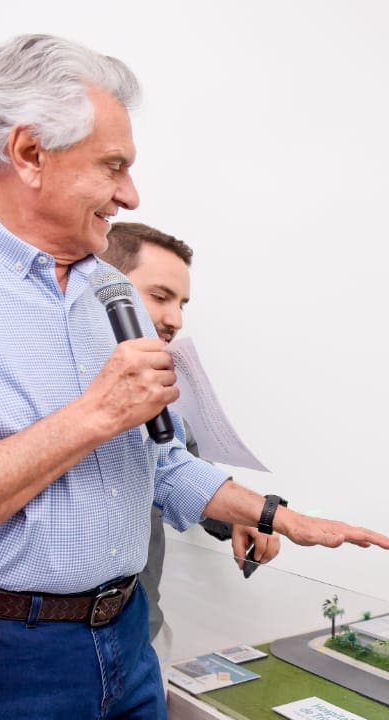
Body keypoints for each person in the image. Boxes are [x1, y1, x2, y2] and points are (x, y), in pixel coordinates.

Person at [0, 34, 389, 720]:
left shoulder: (111, 287)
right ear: (28, 153)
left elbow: (157, 458)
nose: (130, 192)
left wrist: (270, 512)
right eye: (113, 166)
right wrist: (90, 416)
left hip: (123, 635)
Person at [98, 222, 231, 668]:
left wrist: (245, 515)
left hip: (140, 628)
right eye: (160, 297)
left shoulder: (166, 389)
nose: (176, 320)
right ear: (102, 287)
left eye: (182, 304)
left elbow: (180, 464)